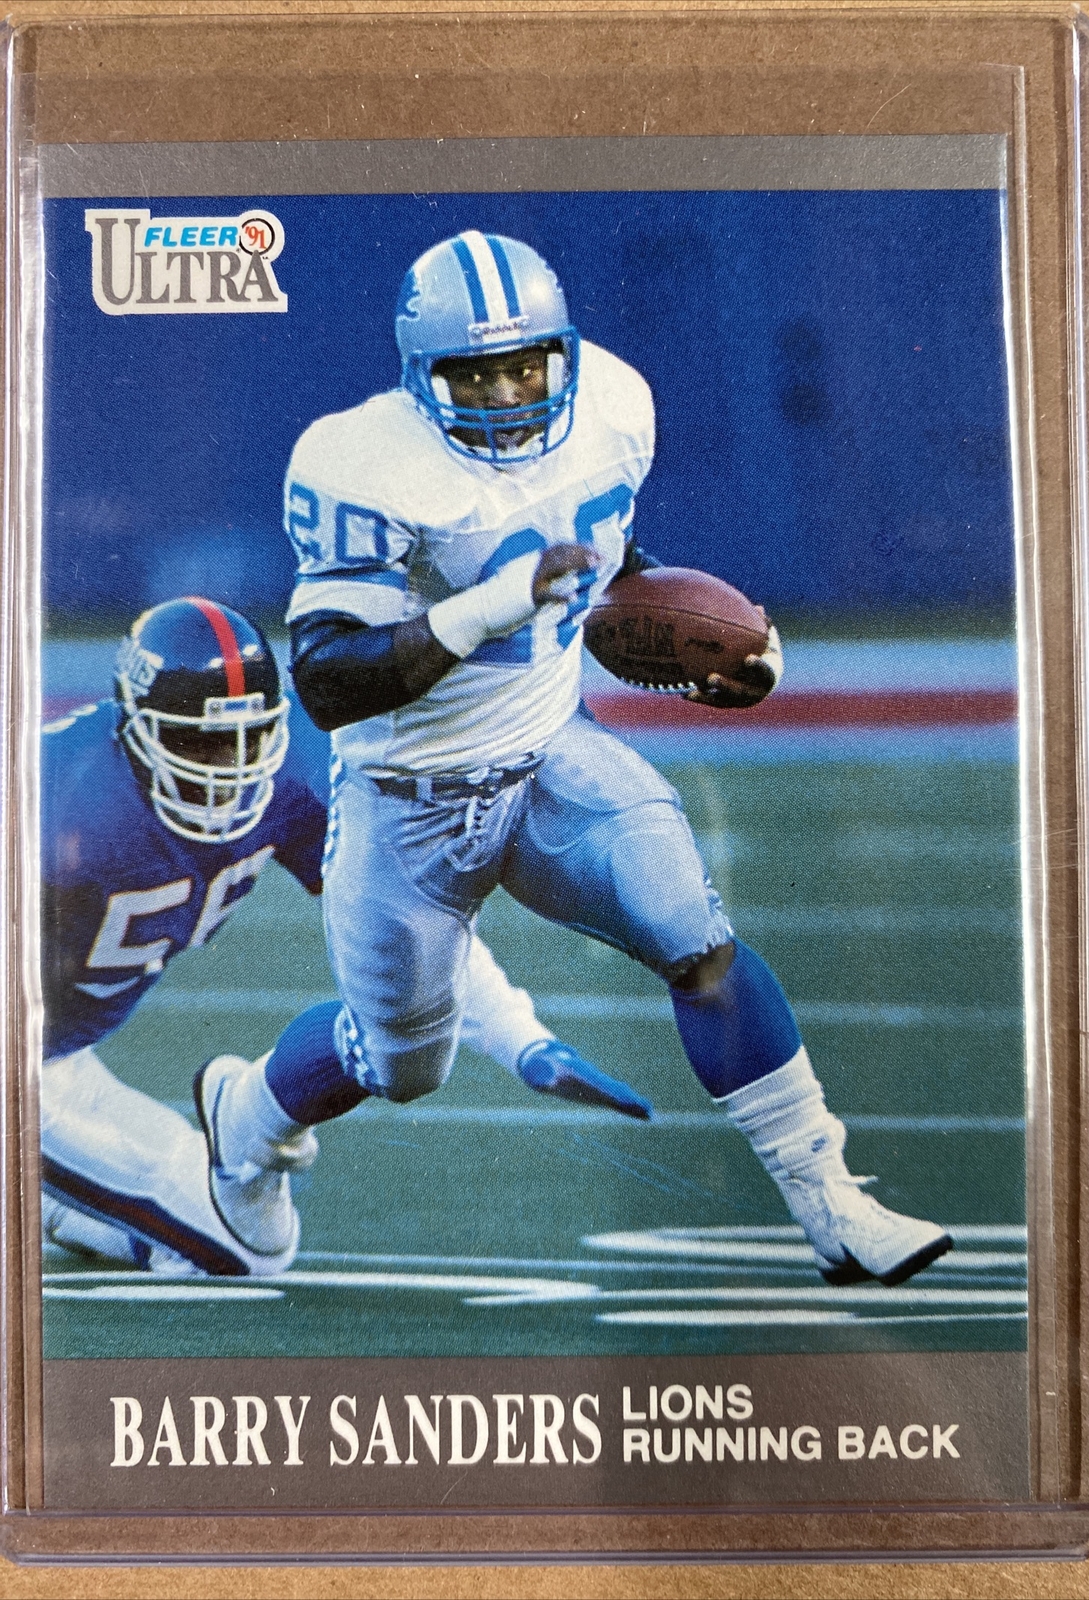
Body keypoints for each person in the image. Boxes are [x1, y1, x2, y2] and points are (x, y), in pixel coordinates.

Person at [200, 230, 952, 1287]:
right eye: (476, 376)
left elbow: (605, 566)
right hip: (407, 801)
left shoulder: (612, 404)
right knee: (402, 1063)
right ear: (421, 377)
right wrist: (490, 605)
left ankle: (830, 1199)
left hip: (550, 753)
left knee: (696, 939)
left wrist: (713, 648)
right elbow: (328, 677)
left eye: (528, 367)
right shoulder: (362, 464)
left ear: (565, 352)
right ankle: (248, 1114)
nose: (509, 396)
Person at [42, 595, 651, 1277]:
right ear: (132, 729)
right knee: (240, 1250)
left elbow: (404, 931)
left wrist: (522, 1041)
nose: (226, 767)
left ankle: (178, 1148)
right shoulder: (50, 802)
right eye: (196, 742)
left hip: (66, 1051)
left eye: (248, 737)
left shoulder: (293, 773)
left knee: (252, 1238)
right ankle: (58, 1194)